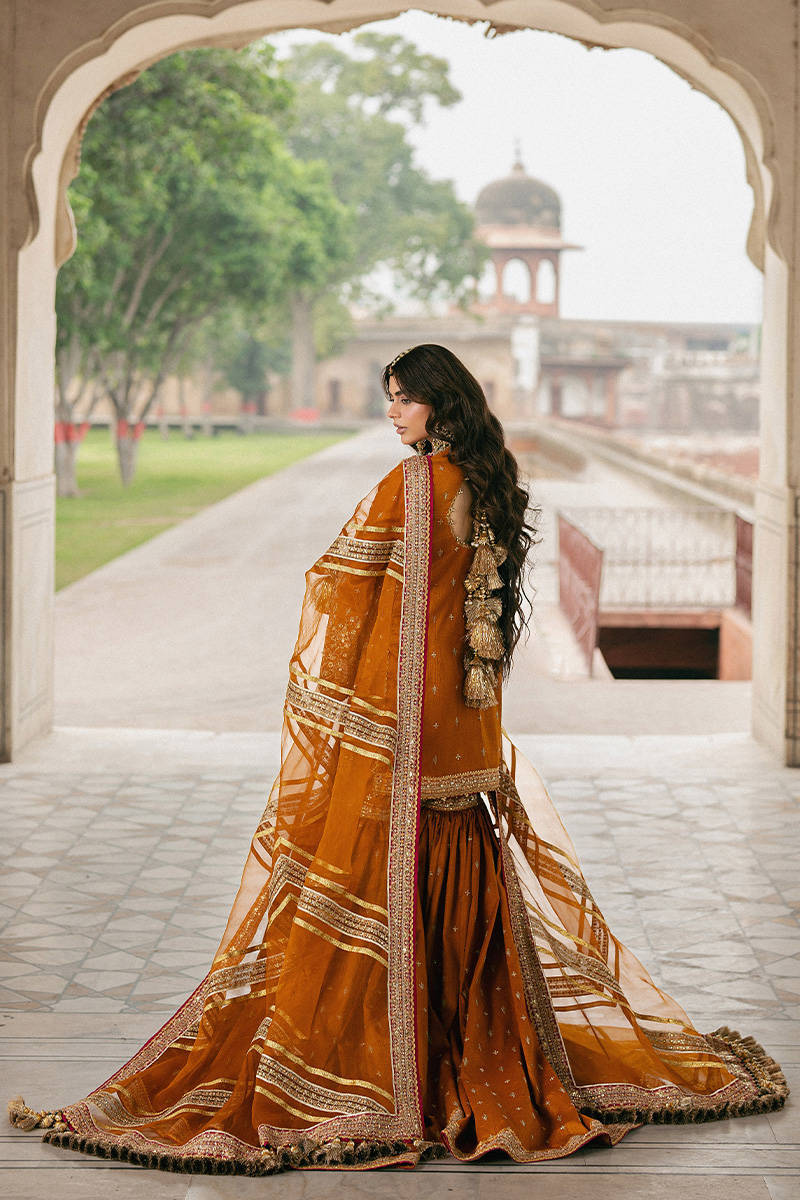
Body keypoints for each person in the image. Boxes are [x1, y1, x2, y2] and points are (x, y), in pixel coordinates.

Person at [9, 343, 788, 1173]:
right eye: (389, 397)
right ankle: (472, 1061)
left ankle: (391, 1070)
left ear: (439, 404)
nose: (392, 412)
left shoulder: (409, 487)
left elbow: (338, 581)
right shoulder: (489, 483)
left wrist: (344, 674)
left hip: (405, 721)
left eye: (404, 399)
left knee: (374, 870)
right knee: (458, 870)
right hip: (467, 719)